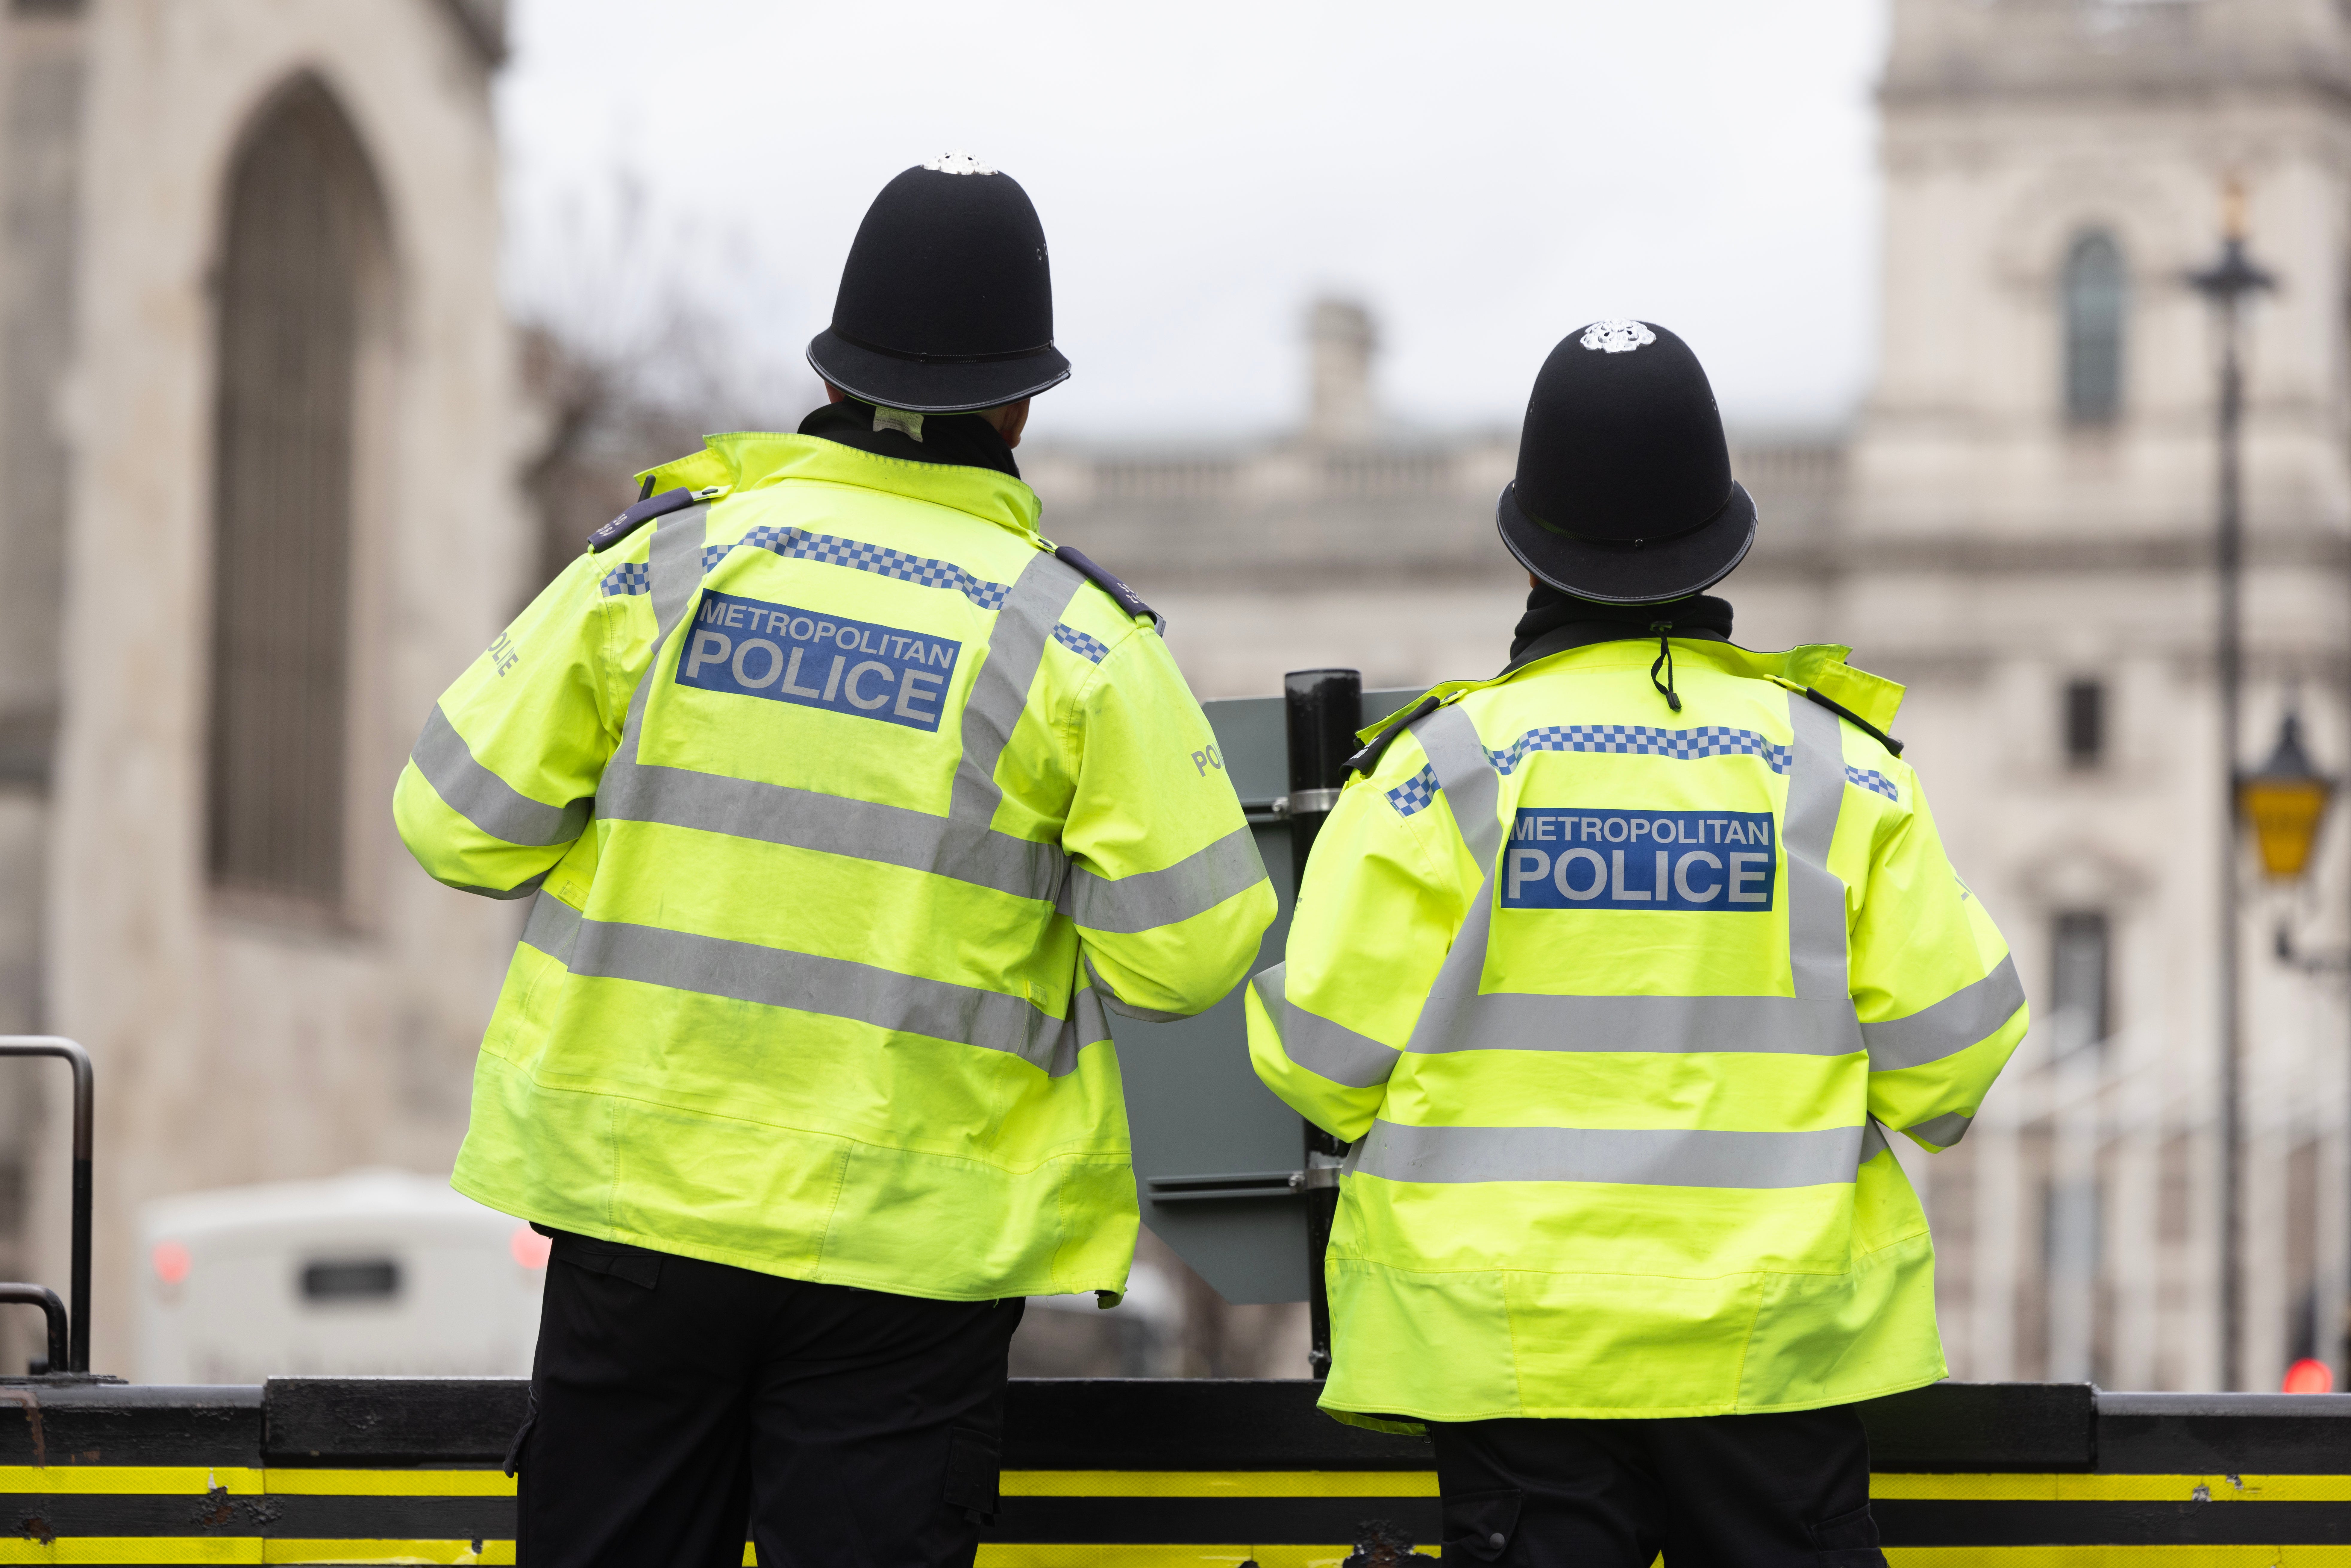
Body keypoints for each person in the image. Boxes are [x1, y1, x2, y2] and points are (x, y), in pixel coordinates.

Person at [396, 152, 1274, 1567]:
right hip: (908, 1249)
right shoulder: (1080, 645)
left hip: (640, 1202)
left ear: (838, 368)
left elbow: (451, 819)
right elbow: (1190, 954)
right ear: (1020, 401)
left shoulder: (661, 568)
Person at [1247, 320, 2026, 1566]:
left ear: (1524, 540)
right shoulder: (1836, 768)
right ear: (1723, 532)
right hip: (1775, 1353)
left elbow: (1319, 1060)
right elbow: (1951, 1064)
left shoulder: (1434, 771)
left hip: (1506, 1352)